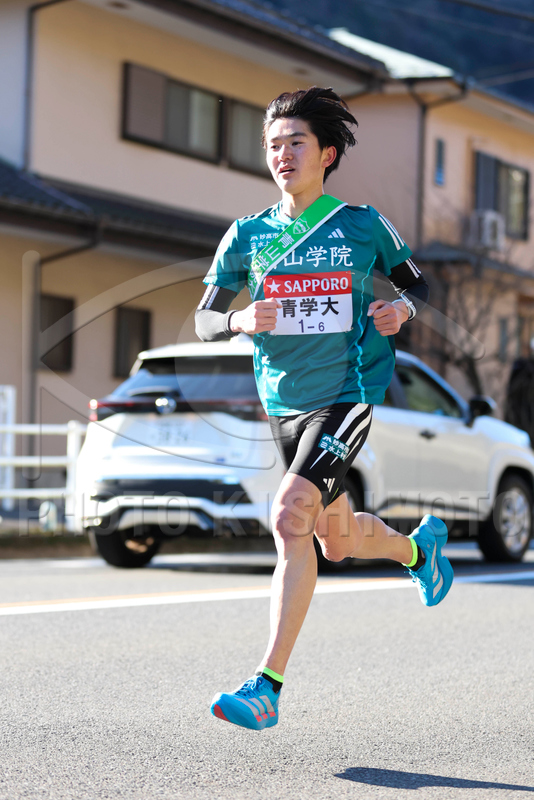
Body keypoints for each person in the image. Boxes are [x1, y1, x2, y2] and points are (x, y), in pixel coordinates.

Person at [195, 87, 453, 731]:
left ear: (327, 154)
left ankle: (267, 685)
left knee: (290, 516)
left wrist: (402, 310)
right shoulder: (247, 234)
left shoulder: (361, 223)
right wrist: (237, 320)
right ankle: (418, 552)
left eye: (296, 143)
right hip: (284, 402)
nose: (282, 154)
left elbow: (419, 283)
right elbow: (204, 319)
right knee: (335, 542)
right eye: (273, 145)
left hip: (348, 393)